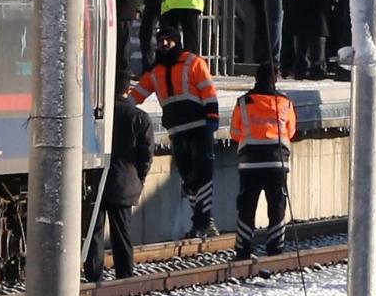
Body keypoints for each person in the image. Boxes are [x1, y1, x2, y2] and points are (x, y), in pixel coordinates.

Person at [126, 26, 221, 237]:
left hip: (199, 128)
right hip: (177, 131)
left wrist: (212, 117)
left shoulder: (194, 62)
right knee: (188, 177)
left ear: (177, 41)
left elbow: (208, 91)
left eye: (168, 40)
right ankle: (203, 220)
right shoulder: (155, 71)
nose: (164, 44)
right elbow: (136, 96)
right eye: (161, 40)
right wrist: (121, 108)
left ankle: (201, 223)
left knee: (202, 175)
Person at [85, 89, 156, 281]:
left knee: (94, 232)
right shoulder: (140, 117)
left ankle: (93, 275)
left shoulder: (94, 114)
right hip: (125, 183)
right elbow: (146, 155)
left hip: (96, 181)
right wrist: (139, 179)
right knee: (122, 234)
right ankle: (124, 276)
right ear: (126, 91)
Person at [230, 62, 299, 259]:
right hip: (277, 162)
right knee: (276, 205)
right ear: (275, 79)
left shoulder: (243, 102)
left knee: (246, 206)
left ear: (256, 77)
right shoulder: (285, 103)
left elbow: (235, 132)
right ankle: (275, 249)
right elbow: (291, 131)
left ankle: (243, 249)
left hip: (249, 163)